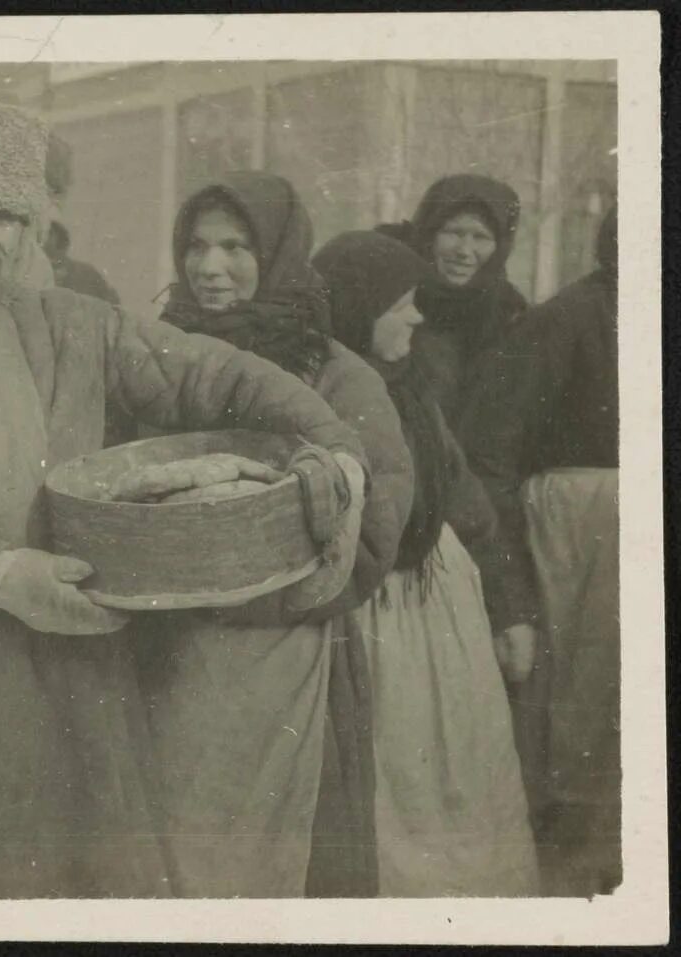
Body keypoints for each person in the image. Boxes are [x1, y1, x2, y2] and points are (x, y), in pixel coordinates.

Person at [0, 100, 371, 899]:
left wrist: (334, 442)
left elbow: (213, 374)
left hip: (71, 681)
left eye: (3, 213)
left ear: (31, 221)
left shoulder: (75, 327)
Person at [135, 173, 414, 898]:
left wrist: (250, 590)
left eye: (236, 246)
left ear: (281, 253)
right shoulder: (151, 362)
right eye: (196, 246)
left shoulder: (334, 374)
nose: (210, 266)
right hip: (168, 655)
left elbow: (377, 520)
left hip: (294, 651)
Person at [314, 230, 539, 896]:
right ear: (358, 308)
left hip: (438, 614)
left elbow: (470, 507)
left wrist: (507, 608)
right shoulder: (322, 401)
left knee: (455, 776)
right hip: (367, 624)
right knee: (386, 785)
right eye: (402, 304)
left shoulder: (414, 392)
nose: (416, 317)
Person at [462, 206, 620, 896]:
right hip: (569, 540)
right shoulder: (566, 318)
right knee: (565, 714)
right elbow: (491, 455)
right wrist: (512, 589)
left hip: (615, 536)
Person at [376, 174, 531, 424]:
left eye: (480, 237)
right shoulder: (391, 296)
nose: (464, 251)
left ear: (501, 245)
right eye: (453, 232)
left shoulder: (509, 312)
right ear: (429, 234)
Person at [43, 220, 122, 307]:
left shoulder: (87, 272)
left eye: (49, 234)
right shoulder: (38, 272)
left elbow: (113, 302)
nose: (43, 239)